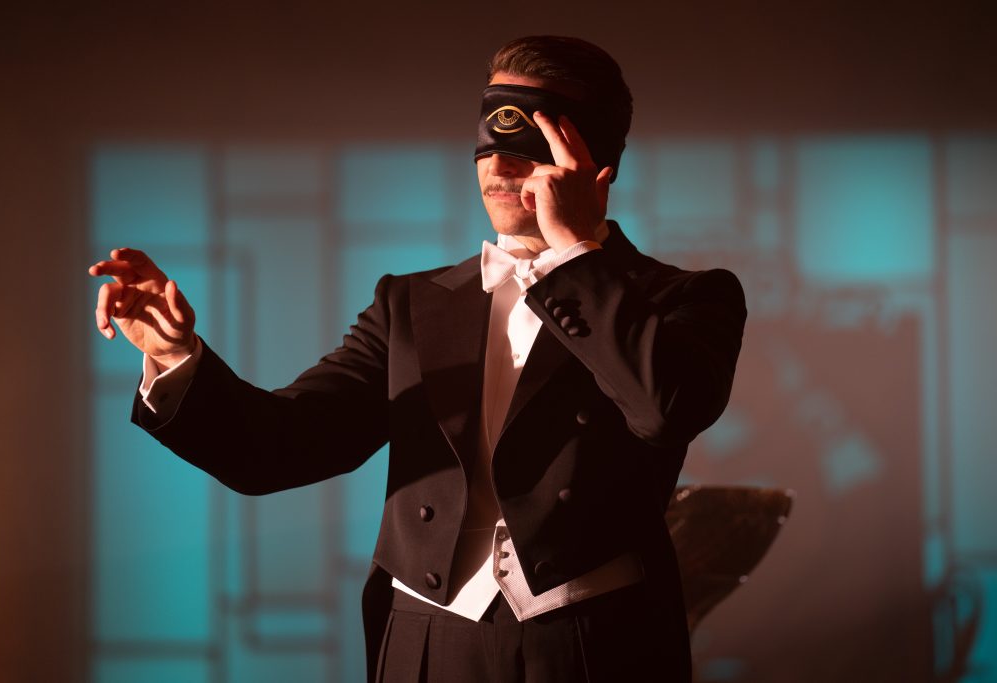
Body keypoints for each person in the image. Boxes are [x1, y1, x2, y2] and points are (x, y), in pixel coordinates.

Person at [88, 35, 746, 683]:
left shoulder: (687, 298)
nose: (498, 167)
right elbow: (278, 446)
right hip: (428, 644)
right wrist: (176, 356)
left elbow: (665, 408)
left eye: (527, 147)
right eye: (489, 143)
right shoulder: (409, 304)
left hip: (597, 647)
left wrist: (573, 256)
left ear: (595, 163)